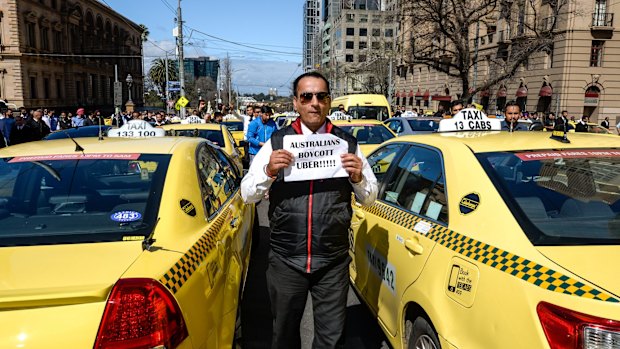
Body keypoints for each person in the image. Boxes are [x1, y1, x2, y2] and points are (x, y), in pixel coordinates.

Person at [241, 72, 378, 349]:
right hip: (286, 260)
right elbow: (247, 195)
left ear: (329, 102)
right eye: (307, 96)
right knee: (284, 335)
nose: (314, 103)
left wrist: (358, 178)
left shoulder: (347, 144)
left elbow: (370, 198)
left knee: (331, 338)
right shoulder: (277, 143)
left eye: (321, 96)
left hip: (332, 261)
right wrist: (268, 171)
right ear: (296, 102)